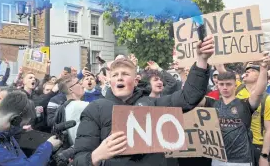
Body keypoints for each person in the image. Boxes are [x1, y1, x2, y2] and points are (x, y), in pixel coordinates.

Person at [73, 36, 215, 166]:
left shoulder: (152, 104)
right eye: (115, 75)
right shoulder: (95, 109)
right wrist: (97, 155)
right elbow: (79, 158)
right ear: (109, 81)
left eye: (125, 74)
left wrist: (202, 60)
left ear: (136, 81)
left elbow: (188, 98)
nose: (120, 78)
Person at [200, 54, 269, 166]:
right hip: (218, 159)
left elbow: (259, 92)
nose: (225, 87)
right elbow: (191, 98)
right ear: (217, 85)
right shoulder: (212, 103)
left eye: (228, 84)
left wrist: (264, 68)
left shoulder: (245, 104)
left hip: (242, 161)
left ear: (235, 85)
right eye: (221, 84)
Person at [0, 90, 62, 165]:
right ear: (15, 120)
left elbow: (21, 160)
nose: (22, 128)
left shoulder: (4, 135)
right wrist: (48, 146)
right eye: (22, 125)